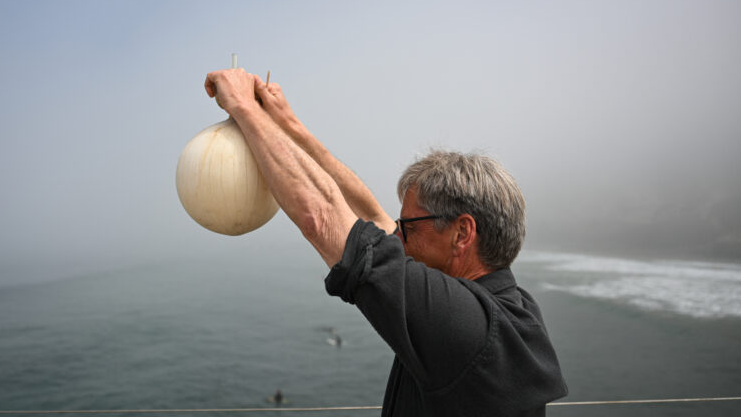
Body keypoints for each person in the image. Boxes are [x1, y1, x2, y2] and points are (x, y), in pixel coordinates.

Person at [204, 68, 567, 416]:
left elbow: (323, 220)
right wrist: (288, 124)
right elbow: (370, 217)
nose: (398, 236)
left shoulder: (465, 326)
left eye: (409, 226)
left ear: (461, 233)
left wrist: (243, 108)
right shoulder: (509, 311)